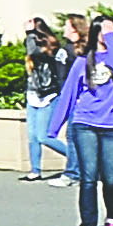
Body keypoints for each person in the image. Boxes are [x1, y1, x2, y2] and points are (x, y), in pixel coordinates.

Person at [52, 9, 113, 226]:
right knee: (88, 177)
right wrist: (54, 127)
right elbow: (68, 94)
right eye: (105, 28)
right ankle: (87, 224)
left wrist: (111, 38)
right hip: (85, 122)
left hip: (112, 125)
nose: (110, 30)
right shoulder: (81, 62)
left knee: (112, 178)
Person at [20, 17, 66, 181]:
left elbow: (33, 51)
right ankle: (35, 170)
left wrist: (30, 32)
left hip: (48, 95)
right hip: (33, 94)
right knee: (32, 137)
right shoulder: (31, 44)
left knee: (44, 136)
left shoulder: (48, 49)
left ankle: (76, 158)